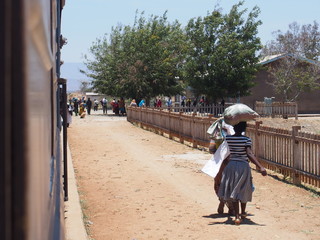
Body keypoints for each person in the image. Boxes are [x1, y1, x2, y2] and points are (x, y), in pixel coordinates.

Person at [216, 121, 267, 225]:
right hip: (243, 166)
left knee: (234, 190)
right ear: (244, 129)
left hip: (231, 166)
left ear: (234, 128)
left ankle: (237, 216)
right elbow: (249, 154)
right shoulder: (246, 139)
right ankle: (243, 212)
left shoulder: (228, 138)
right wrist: (260, 166)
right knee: (244, 189)